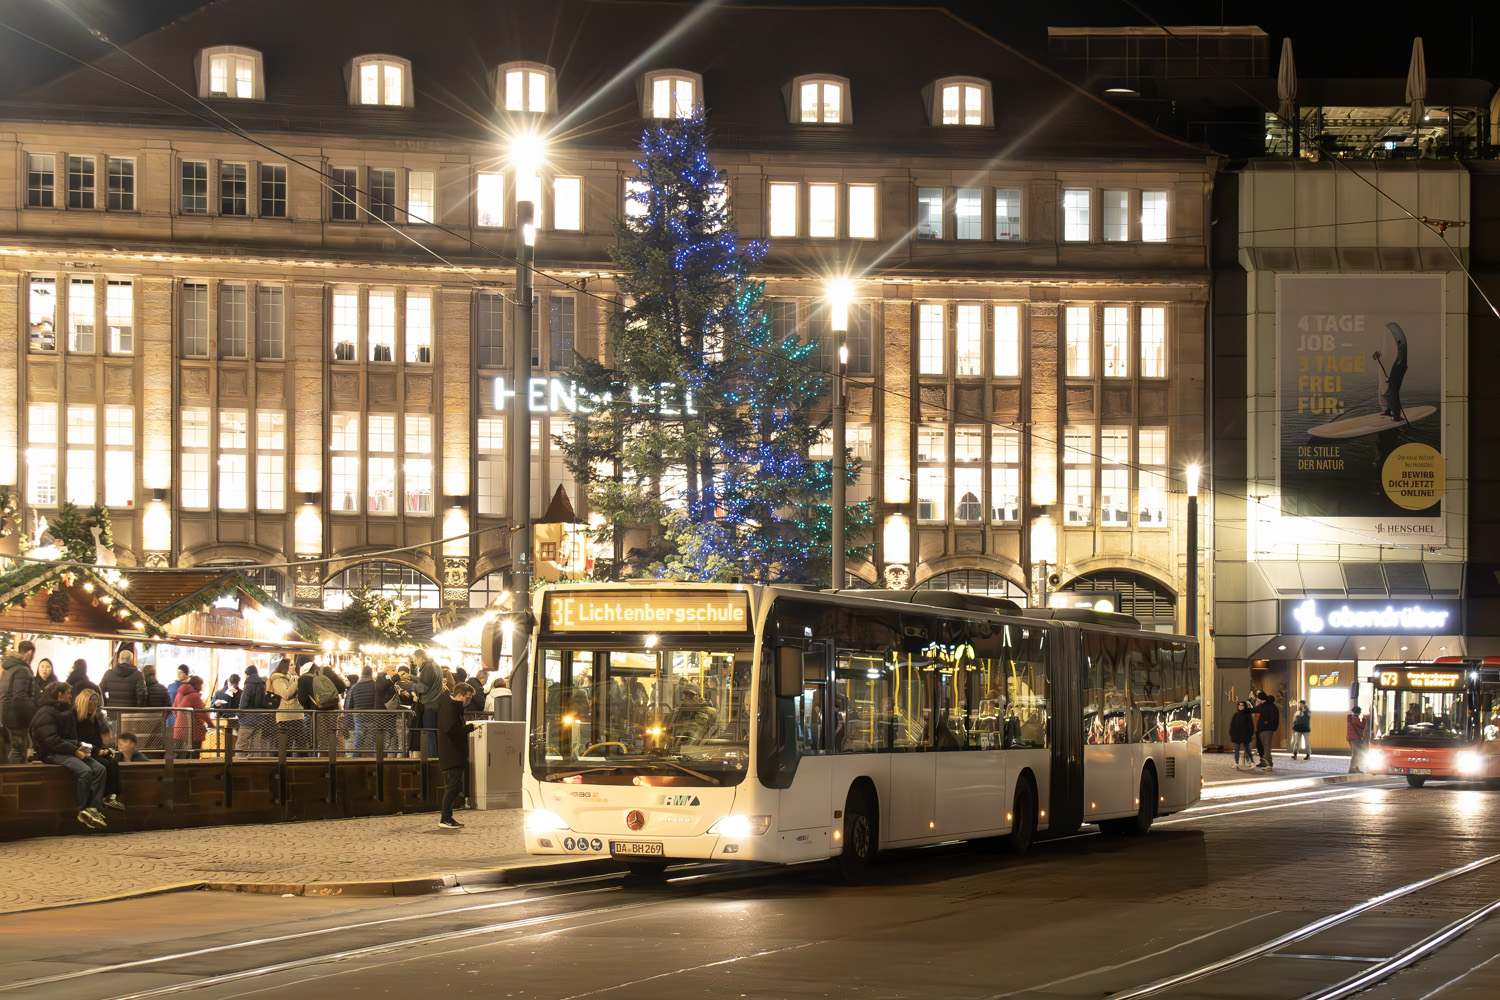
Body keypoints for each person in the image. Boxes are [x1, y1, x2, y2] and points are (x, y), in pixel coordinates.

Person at [30, 681, 108, 829]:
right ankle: (83, 809)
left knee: (100, 768)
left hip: (66, 749)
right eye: (68, 693)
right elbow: (50, 741)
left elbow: (67, 737)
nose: (71, 696)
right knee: (85, 771)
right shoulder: (47, 712)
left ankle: (93, 808)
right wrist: (74, 751)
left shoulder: (63, 711)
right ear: (60, 695)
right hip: (51, 753)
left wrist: (80, 746)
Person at [72, 689, 125, 812]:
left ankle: (111, 796)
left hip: (93, 749)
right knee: (104, 764)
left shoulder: (93, 718)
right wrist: (96, 750)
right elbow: (76, 739)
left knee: (113, 762)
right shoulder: (74, 717)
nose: (93, 706)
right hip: (80, 750)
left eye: (95, 704)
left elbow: (97, 738)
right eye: (90, 703)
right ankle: (100, 799)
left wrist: (103, 749)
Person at [436, 682, 477, 829]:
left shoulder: (451, 707)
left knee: (455, 784)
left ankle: (447, 817)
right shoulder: (450, 708)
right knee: (453, 785)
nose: (469, 701)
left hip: (453, 753)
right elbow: (451, 730)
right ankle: (445, 818)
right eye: (467, 698)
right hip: (452, 753)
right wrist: (469, 728)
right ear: (459, 695)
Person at [1, 640, 40, 764]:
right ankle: (10, 781)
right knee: (18, 751)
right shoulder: (22, 669)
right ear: (30, 652)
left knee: (21, 749)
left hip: (8, 714)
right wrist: (33, 713)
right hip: (17, 717)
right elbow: (20, 696)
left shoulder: (9, 668)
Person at [268, 658, 303, 754]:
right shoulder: (278, 679)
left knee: (302, 746)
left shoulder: (294, 678)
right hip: (286, 717)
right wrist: (297, 682)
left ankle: (302, 766)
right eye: (291, 665)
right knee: (285, 746)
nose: (294, 666)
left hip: (297, 716)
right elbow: (286, 694)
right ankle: (282, 766)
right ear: (285, 667)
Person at [344, 666, 378, 755]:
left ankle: (355, 764)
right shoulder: (375, 686)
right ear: (371, 674)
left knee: (358, 744)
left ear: (361, 674)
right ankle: (379, 765)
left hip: (359, 719)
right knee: (377, 744)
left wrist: (347, 720)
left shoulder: (354, 687)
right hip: (373, 719)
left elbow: (349, 706)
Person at [171, 675, 208, 758]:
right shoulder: (194, 696)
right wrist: (211, 724)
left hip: (179, 729)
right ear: (198, 685)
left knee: (179, 756)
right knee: (193, 755)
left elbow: (174, 710)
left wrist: (180, 718)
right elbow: (203, 713)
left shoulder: (179, 694)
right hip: (193, 731)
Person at [415, 651, 443, 757]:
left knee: (429, 734)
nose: (414, 662)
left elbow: (424, 688)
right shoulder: (435, 665)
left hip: (430, 705)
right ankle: (435, 758)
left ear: (421, 659)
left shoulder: (428, 667)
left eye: (415, 659)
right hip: (436, 704)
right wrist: (413, 678)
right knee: (434, 733)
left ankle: (432, 760)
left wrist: (412, 686)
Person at [238, 665, 268, 754]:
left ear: (248, 674)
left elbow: (244, 702)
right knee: (256, 746)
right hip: (260, 718)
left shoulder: (249, 684)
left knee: (241, 745)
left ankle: (239, 764)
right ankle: (255, 764)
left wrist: (240, 715)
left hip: (247, 719)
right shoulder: (263, 684)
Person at [1254, 691, 1280, 771]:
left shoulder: (1270, 707)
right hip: (1262, 729)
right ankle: (1264, 762)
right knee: (1263, 746)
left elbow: (1273, 718)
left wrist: (1266, 723)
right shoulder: (1264, 706)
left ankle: (1269, 764)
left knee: (1267, 746)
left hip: (1267, 729)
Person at [1228, 700, 1256, 768]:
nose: (1240, 707)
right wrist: (1232, 733)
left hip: (1245, 735)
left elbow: (1250, 726)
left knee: (1247, 750)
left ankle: (1252, 762)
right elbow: (1232, 725)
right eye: (1239, 705)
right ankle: (1236, 763)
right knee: (1236, 750)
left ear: (1245, 706)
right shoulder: (1236, 715)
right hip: (1237, 735)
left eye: (1242, 705)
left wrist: (1250, 734)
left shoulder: (1247, 715)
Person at [1346, 705, 1367, 773]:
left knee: (1356, 753)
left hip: (1350, 738)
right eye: (1360, 712)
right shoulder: (1355, 718)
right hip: (1355, 738)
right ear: (1358, 712)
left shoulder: (1350, 718)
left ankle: (1356, 767)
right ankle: (1352, 768)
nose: (1360, 713)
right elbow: (1361, 726)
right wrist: (1364, 719)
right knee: (1355, 753)